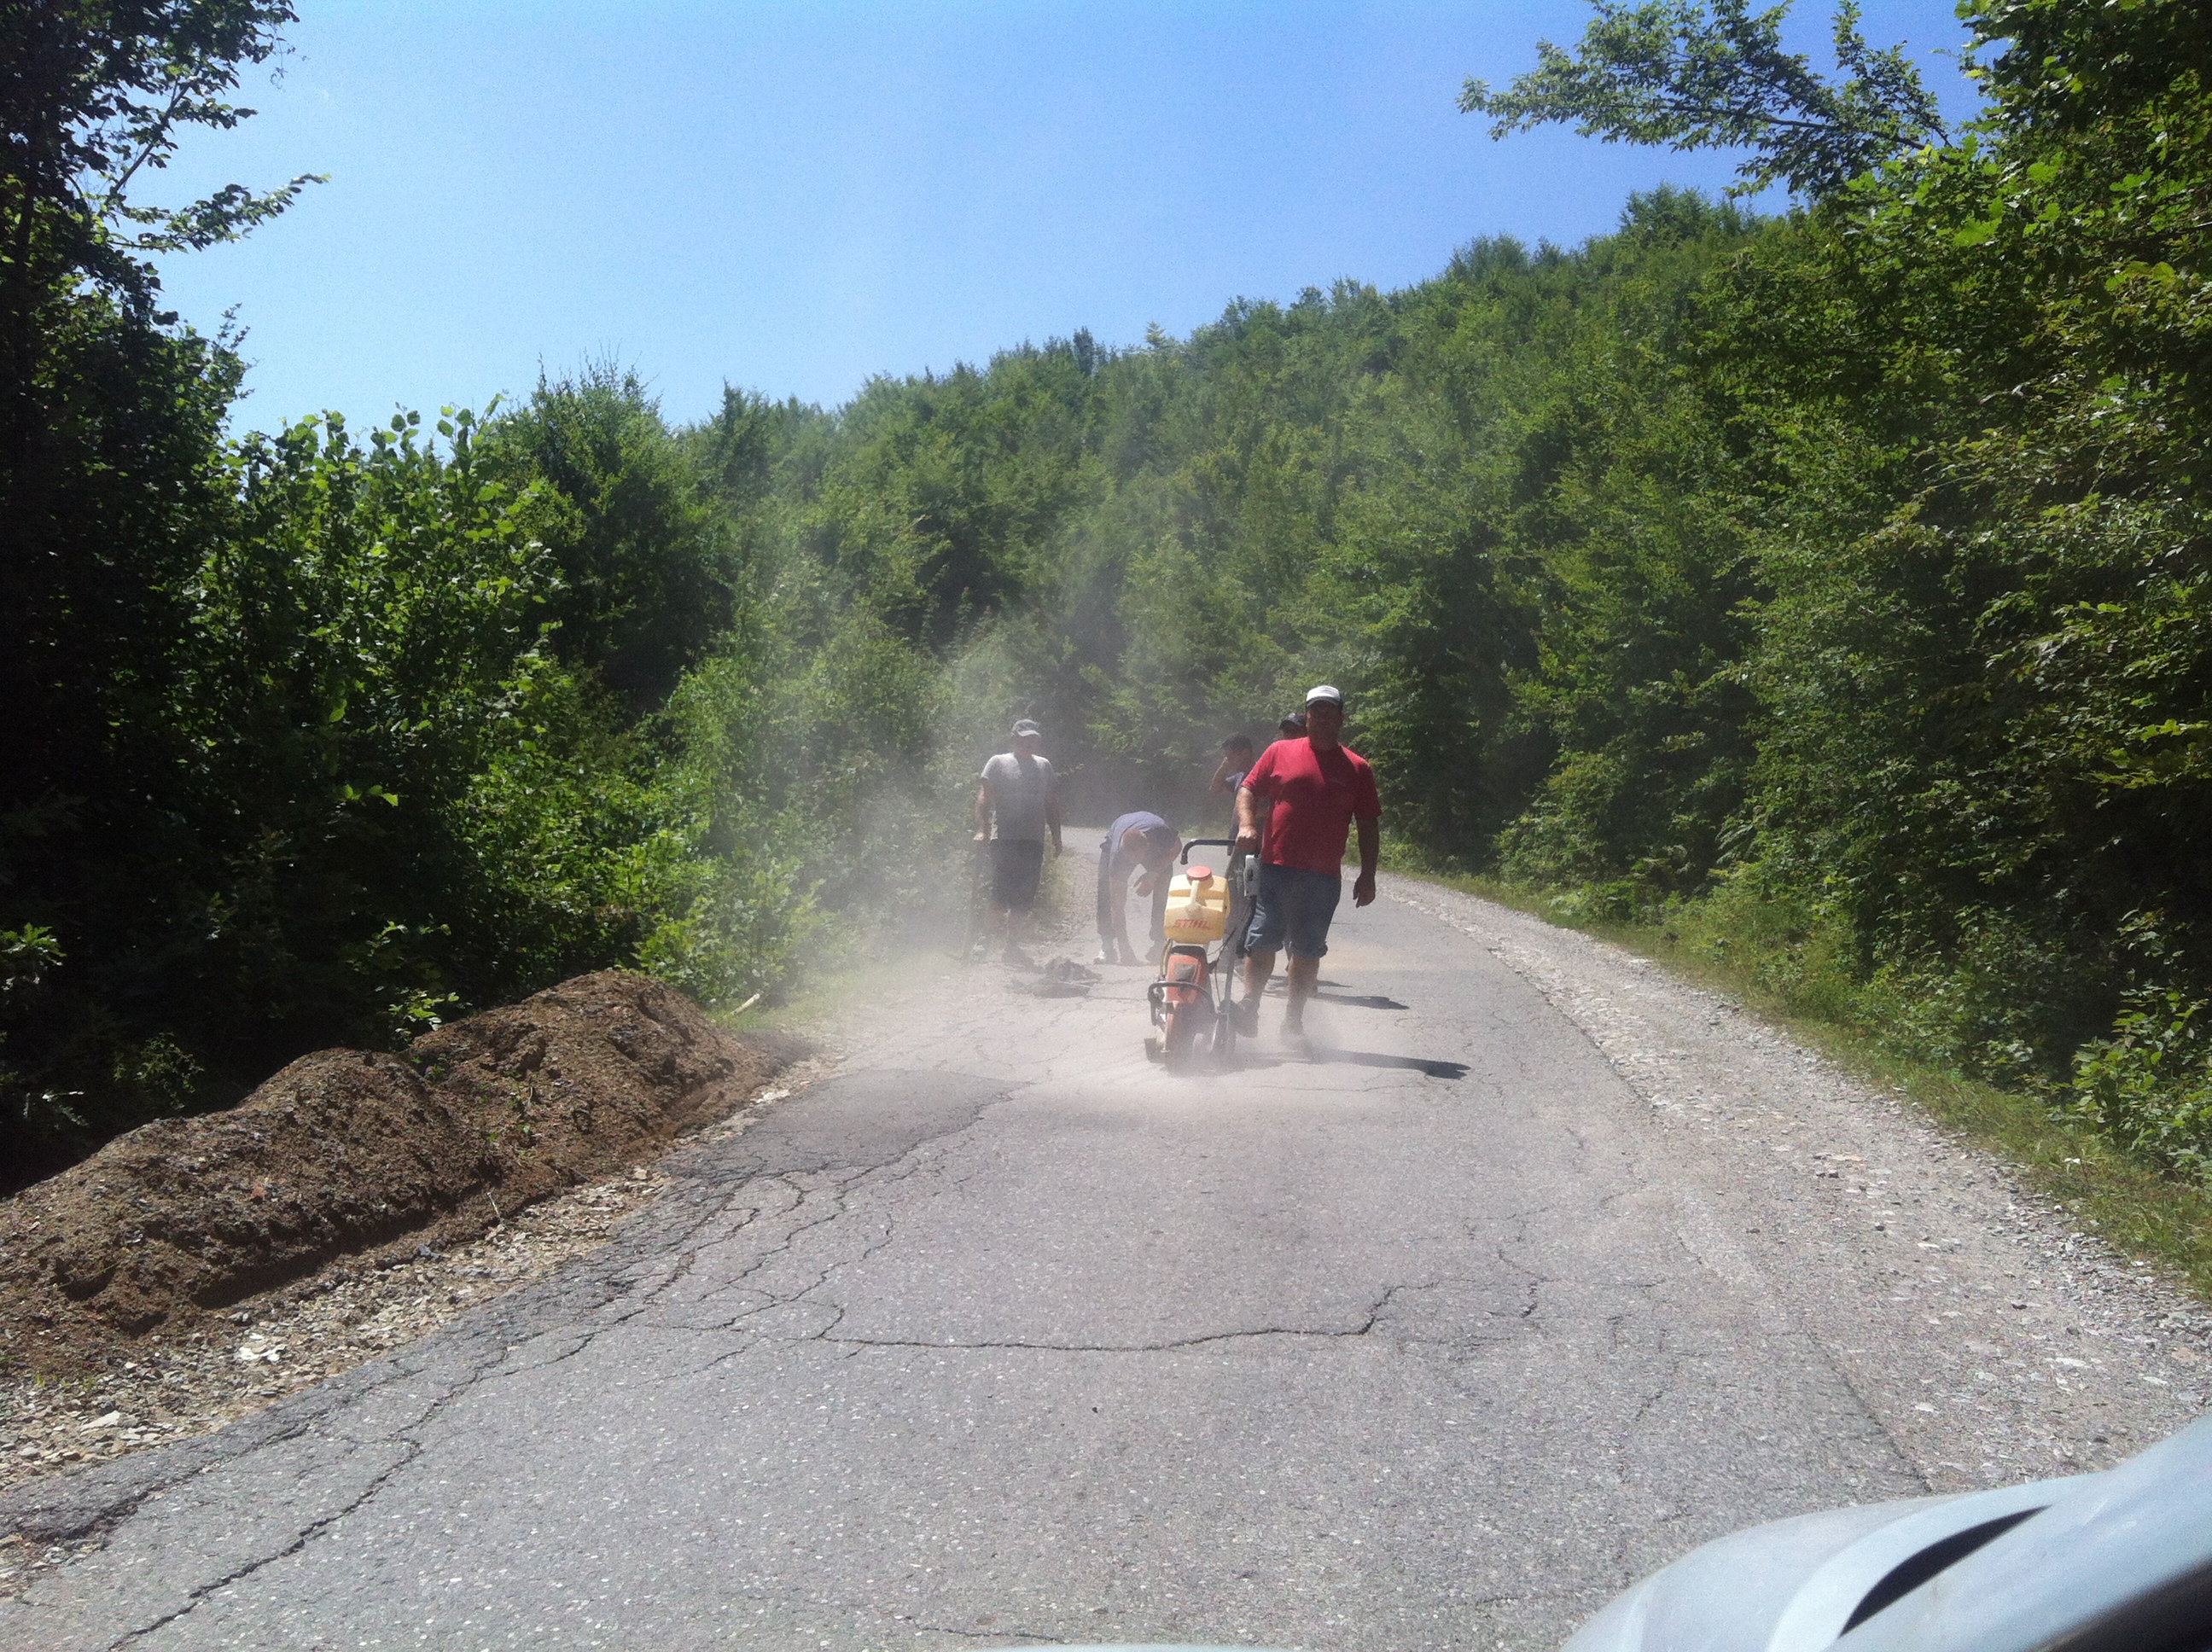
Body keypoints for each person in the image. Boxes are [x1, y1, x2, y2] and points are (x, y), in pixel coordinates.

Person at [1233, 685, 1380, 1041]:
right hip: (1277, 867)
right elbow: (1248, 789)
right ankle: (1249, 1007)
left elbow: (1368, 823)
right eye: (1316, 712)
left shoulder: (1358, 769)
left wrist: (1368, 875)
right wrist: (1249, 824)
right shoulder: (1280, 751)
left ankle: (1292, 1022)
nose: (1323, 719)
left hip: (1323, 876)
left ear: (1341, 719)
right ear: (1307, 716)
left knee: (1307, 949)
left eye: (1331, 713)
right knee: (1262, 938)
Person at [973, 718, 1062, 966]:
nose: (1028, 743)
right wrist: (982, 830)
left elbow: (1051, 803)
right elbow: (983, 799)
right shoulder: (998, 763)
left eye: (1032, 739)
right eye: (1024, 738)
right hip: (1004, 839)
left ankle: (1012, 946)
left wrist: (1056, 837)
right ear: (1014, 739)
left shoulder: (1044, 766)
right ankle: (984, 940)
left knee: (1023, 898)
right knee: (999, 894)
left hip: (1033, 841)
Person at [1096, 811, 1180, 965]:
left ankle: (1159, 944)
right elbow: (1117, 907)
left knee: (1164, 888)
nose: (1133, 862)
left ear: (1147, 847)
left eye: (1137, 857)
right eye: (1130, 858)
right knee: (1105, 891)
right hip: (1117, 833)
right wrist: (1125, 950)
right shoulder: (1118, 856)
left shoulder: (1162, 833)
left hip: (1154, 838)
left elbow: (1176, 848)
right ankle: (1107, 946)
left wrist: (1153, 874)